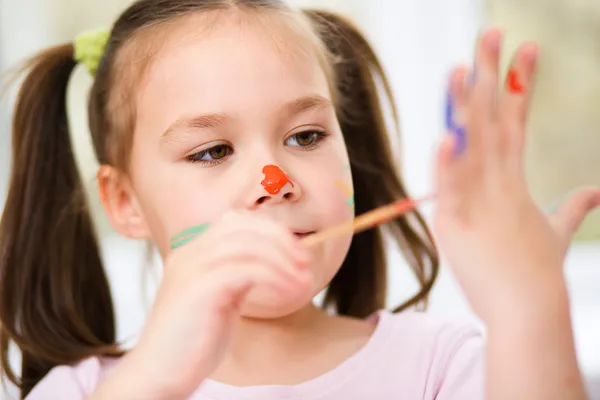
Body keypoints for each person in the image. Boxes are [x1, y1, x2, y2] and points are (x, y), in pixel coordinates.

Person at [0, 1, 597, 399]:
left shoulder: (439, 368)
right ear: (125, 201)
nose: (275, 180)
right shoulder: (85, 391)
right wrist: (154, 378)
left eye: (305, 136)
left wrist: (530, 309)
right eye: (212, 151)